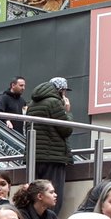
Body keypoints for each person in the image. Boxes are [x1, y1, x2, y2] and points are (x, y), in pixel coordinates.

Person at [25, 78, 73, 208]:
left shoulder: (32, 104)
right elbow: (67, 129)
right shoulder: (55, 102)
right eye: (64, 91)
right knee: (52, 198)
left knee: (36, 198)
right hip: (53, 156)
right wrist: (66, 110)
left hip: (34, 157)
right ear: (61, 90)